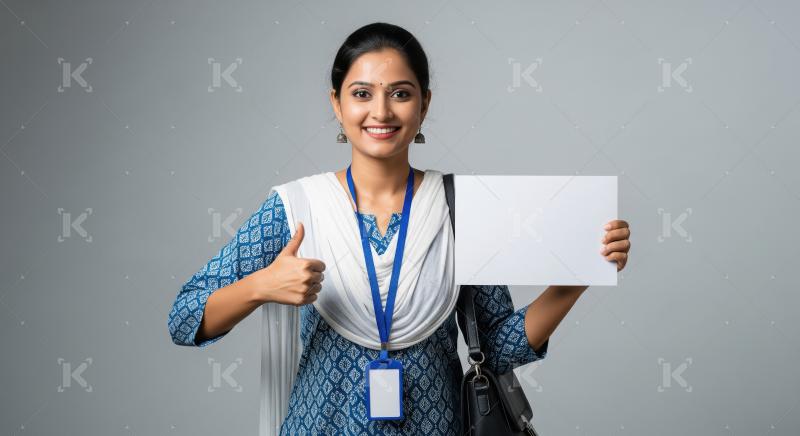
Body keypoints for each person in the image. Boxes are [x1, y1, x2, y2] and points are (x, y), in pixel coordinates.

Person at [167, 22, 631, 435]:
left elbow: (495, 348)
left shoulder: (459, 208)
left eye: (401, 93)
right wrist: (261, 286)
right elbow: (185, 318)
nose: (382, 112)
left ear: (424, 104)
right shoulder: (296, 207)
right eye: (362, 93)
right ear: (337, 103)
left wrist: (574, 282)